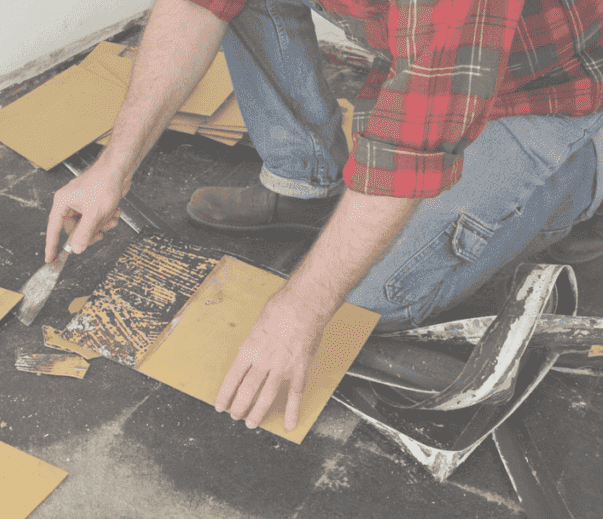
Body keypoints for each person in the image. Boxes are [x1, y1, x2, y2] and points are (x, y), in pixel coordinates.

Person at [44, 0, 603, 432]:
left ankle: (589, 179)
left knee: (364, 302)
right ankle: (304, 183)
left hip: (552, 98)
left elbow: (408, 147)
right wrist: (112, 168)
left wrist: (299, 312)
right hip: (441, 76)